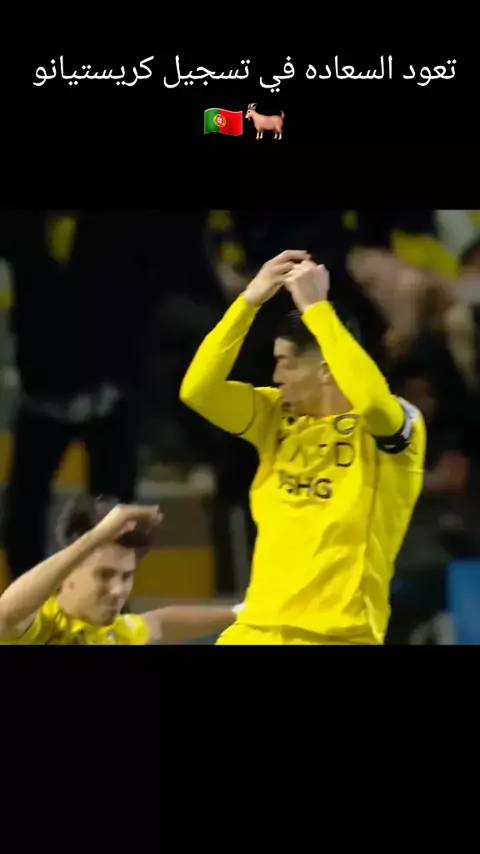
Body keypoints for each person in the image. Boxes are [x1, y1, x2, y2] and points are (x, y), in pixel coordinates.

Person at [180, 251, 427, 645]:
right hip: (257, 626)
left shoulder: (395, 424)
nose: (276, 376)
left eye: (286, 363)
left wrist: (316, 309)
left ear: (326, 369)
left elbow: (373, 403)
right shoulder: (273, 416)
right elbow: (198, 390)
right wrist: (248, 302)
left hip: (338, 633)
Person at [0, 497, 239, 645]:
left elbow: (160, 624)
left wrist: (238, 612)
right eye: (104, 574)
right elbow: (6, 613)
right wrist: (97, 537)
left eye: (126, 576)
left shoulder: (115, 634)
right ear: (68, 572)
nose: (118, 590)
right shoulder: (39, 626)